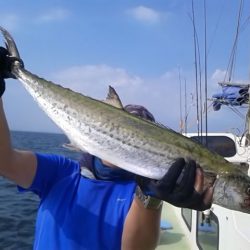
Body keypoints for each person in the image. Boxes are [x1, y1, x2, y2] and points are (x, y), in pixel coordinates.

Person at [0, 46, 213, 250]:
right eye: (122, 128)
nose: (128, 140)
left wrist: (151, 198)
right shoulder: (61, 173)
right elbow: (5, 161)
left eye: (142, 137)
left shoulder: (139, 194)